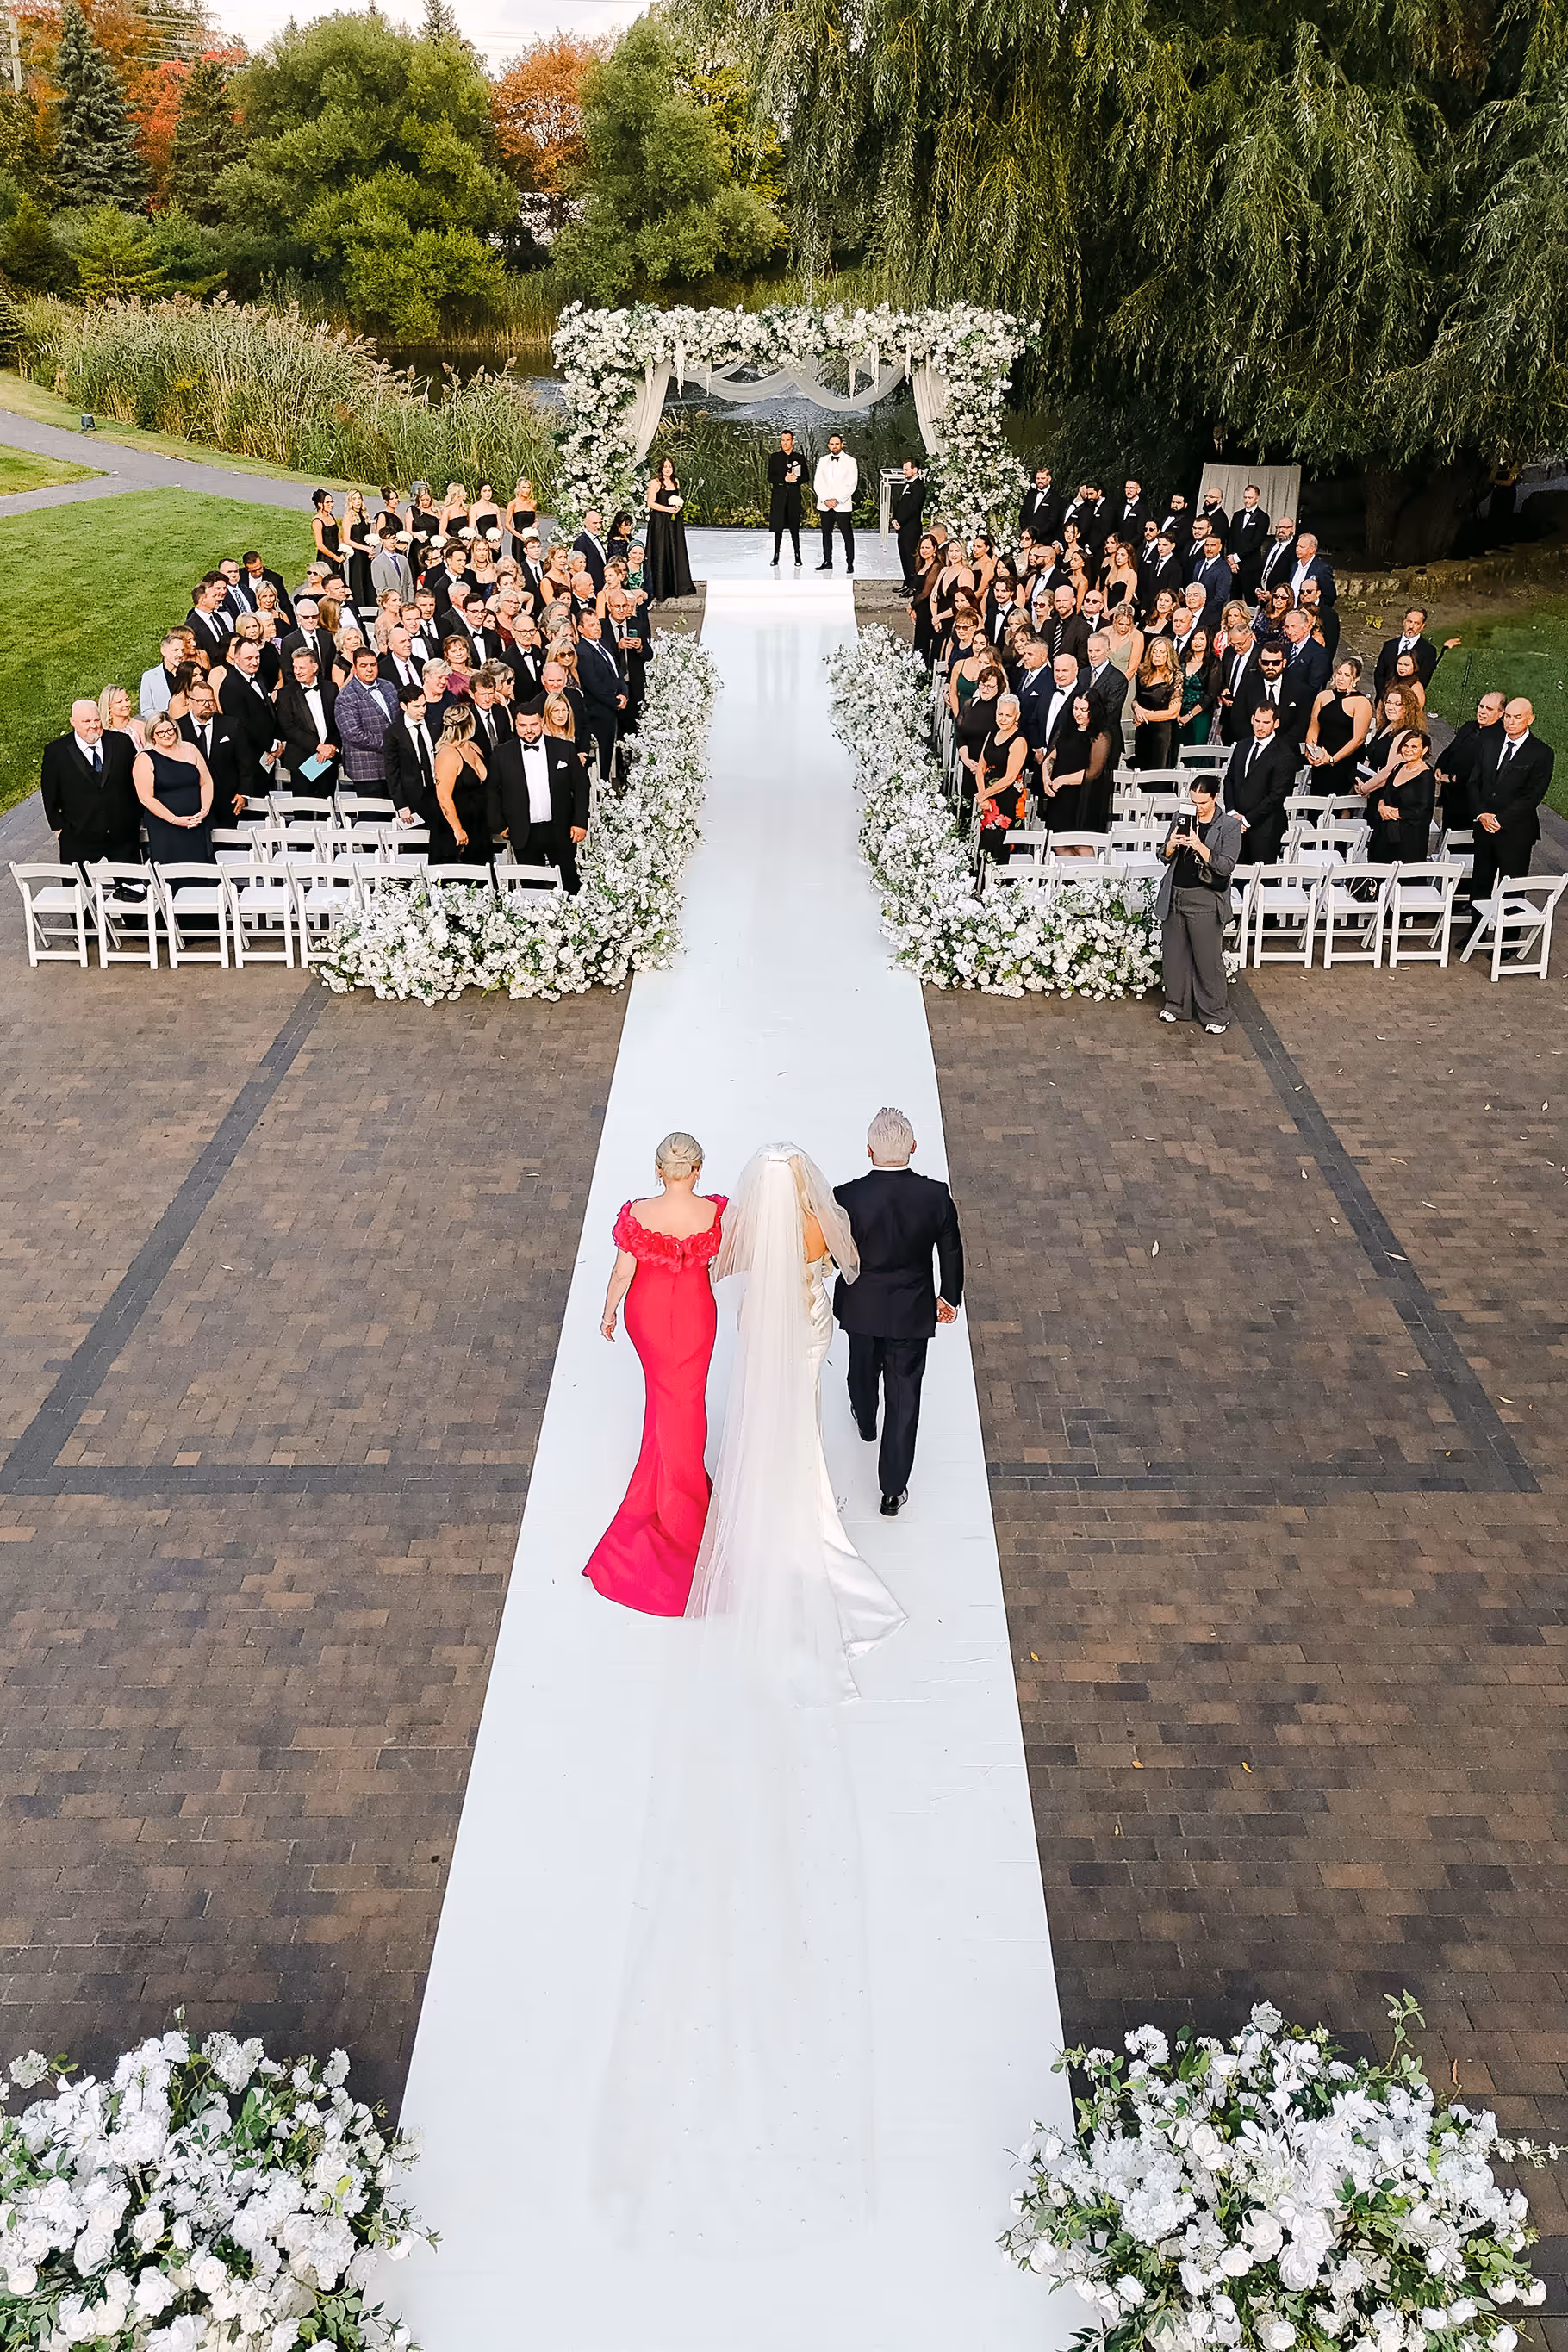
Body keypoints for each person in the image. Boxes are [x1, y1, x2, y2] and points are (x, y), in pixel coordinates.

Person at [584, 1133, 727, 1615]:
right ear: (698, 1170)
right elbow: (723, 1263)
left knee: (663, 1396)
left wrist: (608, 1312)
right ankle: (683, 1492)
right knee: (688, 1400)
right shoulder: (712, 1214)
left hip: (647, 1314)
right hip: (694, 1314)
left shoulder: (639, 1214)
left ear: (659, 1170)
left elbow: (624, 1272)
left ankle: (667, 1481)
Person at [832, 1107, 963, 1520]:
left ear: (869, 1150)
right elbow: (951, 1249)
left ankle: (866, 1422)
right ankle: (893, 1490)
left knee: (861, 1366)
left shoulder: (847, 1196)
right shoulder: (935, 1195)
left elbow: (839, 1256)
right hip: (912, 1311)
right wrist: (949, 1297)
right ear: (913, 1148)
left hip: (862, 1306)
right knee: (905, 1397)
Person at [1157, 774, 1243, 1033]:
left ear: (1215, 798)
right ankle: (1176, 1005)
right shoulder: (1181, 817)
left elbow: (1225, 866)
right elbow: (1163, 855)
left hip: (1205, 899)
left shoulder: (1228, 825)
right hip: (1175, 894)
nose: (1197, 808)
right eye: (1194, 801)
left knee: (1207, 961)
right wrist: (1172, 844)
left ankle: (1216, 1014)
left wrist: (1199, 845)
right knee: (1174, 956)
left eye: (1203, 803)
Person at [488, 697, 590, 891]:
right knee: (530, 885)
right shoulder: (501, 754)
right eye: (523, 725)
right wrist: (499, 824)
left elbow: (581, 787)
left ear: (542, 722)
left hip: (560, 828)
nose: (529, 730)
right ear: (515, 725)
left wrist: (579, 822)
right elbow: (493, 792)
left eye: (534, 724)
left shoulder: (564, 749)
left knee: (569, 880)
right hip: (523, 831)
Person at [1468, 698, 1555, 913]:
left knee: (1512, 888)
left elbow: (1532, 796)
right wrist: (1481, 814)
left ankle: (1508, 940)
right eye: (1507, 716)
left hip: (1515, 831)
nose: (1511, 722)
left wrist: (1499, 820)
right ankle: (1475, 932)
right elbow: (1473, 782)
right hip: (1484, 826)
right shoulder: (1489, 741)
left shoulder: (1541, 753)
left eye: (1517, 717)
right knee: (1480, 882)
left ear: (1530, 719)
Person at [40, 699, 143, 868]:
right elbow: (50, 794)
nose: (93, 726)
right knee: (79, 891)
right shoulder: (56, 752)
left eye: (96, 720)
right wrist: (60, 831)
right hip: (78, 836)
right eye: (86, 721)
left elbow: (135, 782)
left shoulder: (122, 743)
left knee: (134, 890)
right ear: (72, 722)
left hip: (122, 834)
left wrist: (134, 817)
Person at [133, 711, 214, 864]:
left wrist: (204, 811)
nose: (167, 735)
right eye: (161, 732)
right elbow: (146, 797)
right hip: (165, 826)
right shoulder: (144, 758)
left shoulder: (190, 749)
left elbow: (206, 782)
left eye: (170, 730)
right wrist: (174, 819)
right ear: (152, 735)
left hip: (197, 821)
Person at [1223, 701, 1297, 866]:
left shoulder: (1284, 755)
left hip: (1265, 830)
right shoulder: (1242, 746)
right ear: (1252, 719)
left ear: (1276, 723)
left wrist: (1247, 820)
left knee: (1262, 881)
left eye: (1266, 722)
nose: (1260, 727)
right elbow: (1229, 779)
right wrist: (1232, 813)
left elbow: (1276, 796)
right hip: (1236, 825)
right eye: (1257, 721)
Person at [431, 700, 490, 866]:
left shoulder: (473, 746)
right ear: (470, 724)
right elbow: (443, 797)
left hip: (479, 824)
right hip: (456, 826)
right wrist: (457, 829)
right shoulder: (448, 755)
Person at [1365, 727, 1436, 865]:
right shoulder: (1398, 767)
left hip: (1408, 839)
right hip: (1385, 832)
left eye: (1414, 746)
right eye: (1405, 745)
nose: (1408, 750)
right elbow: (1385, 793)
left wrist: (1395, 813)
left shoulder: (1426, 776)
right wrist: (1381, 807)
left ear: (1424, 750)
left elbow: (1422, 809)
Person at [1435, 689, 1505, 827]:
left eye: (1489, 709)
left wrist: (1452, 778)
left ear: (1500, 713)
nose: (1482, 711)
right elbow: (1451, 749)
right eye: (1481, 706)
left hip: (1469, 801)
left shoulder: (1498, 738)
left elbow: (1482, 770)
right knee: (1447, 829)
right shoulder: (1469, 726)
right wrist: (1440, 766)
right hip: (1451, 795)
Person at [178, 678, 241, 826]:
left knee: (228, 846)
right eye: (201, 701)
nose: (207, 705)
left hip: (227, 798)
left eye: (210, 701)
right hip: (192, 799)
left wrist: (243, 792)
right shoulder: (178, 728)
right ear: (190, 701)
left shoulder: (231, 725)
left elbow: (244, 760)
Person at [1304, 655, 1375, 784]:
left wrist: (1333, 759)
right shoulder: (1323, 696)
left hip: (1345, 761)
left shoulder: (1361, 702)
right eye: (1339, 673)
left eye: (1347, 675)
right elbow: (1314, 726)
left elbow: (1358, 739)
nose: (1341, 678)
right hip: (1321, 756)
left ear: (1356, 679)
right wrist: (1311, 751)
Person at [334, 645, 398, 787]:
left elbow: (398, 720)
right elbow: (354, 734)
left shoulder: (389, 686)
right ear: (355, 668)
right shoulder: (346, 696)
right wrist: (389, 744)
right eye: (363, 666)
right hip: (366, 770)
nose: (369, 669)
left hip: (394, 766)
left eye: (373, 665)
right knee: (372, 810)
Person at [644, 458, 695, 600]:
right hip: (660, 521)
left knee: (675, 548)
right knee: (661, 550)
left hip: (674, 521)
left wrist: (677, 508)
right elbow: (650, 503)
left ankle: (677, 584)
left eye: (670, 466)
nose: (667, 469)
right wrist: (667, 509)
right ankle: (660, 587)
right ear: (661, 468)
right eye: (665, 466)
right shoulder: (655, 483)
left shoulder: (675, 482)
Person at [1132, 637, 1181, 768]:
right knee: (1141, 772)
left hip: (1163, 734)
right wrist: (1136, 709)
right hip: (1143, 731)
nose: (1157, 655)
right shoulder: (1143, 674)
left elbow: (1173, 712)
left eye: (1162, 652)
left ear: (1169, 654)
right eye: (1154, 651)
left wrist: (1144, 717)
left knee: (1159, 773)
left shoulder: (1176, 676)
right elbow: (1137, 699)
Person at [813, 432, 858, 574]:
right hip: (825, 505)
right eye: (832, 444)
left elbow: (852, 484)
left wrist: (837, 500)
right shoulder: (822, 461)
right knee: (826, 534)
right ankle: (827, 561)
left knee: (847, 535)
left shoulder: (851, 461)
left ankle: (850, 563)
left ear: (841, 445)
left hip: (842, 505)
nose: (834, 446)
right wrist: (825, 499)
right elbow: (817, 483)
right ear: (828, 446)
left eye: (837, 444)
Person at [766, 429, 807, 569]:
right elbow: (770, 477)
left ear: (793, 441)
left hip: (794, 496)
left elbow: (806, 477)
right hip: (779, 497)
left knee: (794, 527)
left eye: (787, 440)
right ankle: (776, 555)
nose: (784, 443)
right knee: (778, 527)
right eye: (782, 440)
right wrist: (784, 478)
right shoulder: (775, 457)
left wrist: (796, 479)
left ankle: (797, 555)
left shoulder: (799, 458)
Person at [890, 457, 927, 591]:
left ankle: (913, 586)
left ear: (915, 470)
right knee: (904, 556)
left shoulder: (919, 487)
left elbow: (913, 508)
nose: (904, 472)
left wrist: (900, 521)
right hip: (903, 528)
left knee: (911, 558)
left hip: (911, 529)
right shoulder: (908, 485)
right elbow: (900, 505)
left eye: (906, 469)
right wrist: (894, 519)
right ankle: (907, 583)